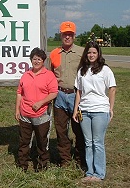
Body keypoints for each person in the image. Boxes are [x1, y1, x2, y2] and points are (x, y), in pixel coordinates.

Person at [72, 41, 116, 182]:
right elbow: (78, 91)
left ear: (98, 54)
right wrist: (75, 110)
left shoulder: (105, 70)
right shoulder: (82, 70)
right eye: (89, 52)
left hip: (100, 110)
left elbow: (112, 89)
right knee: (88, 142)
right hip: (84, 110)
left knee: (97, 142)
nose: (91, 55)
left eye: (94, 53)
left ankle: (99, 173)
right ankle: (90, 172)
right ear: (86, 54)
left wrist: (110, 108)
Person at [49, 21, 86, 169]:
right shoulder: (54, 53)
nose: (67, 37)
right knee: (61, 130)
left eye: (70, 34)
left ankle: (80, 159)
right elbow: (50, 76)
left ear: (74, 36)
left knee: (80, 130)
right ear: (61, 35)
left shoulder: (82, 52)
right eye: (65, 34)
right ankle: (65, 159)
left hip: (77, 97)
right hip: (59, 96)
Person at [15, 48, 58, 172]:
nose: (36, 61)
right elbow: (19, 93)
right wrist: (17, 110)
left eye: (39, 59)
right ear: (31, 60)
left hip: (41, 115)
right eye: (34, 59)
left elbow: (54, 93)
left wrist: (41, 103)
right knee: (24, 141)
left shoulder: (49, 75)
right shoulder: (26, 75)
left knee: (42, 141)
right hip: (25, 114)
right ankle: (22, 165)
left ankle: (42, 165)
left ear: (43, 61)